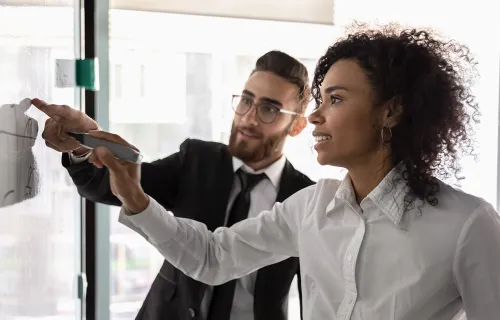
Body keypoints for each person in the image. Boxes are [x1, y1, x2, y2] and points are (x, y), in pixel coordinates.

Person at [38, 25, 500, 319]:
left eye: (335, 100)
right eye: (320, 100)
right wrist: (134, 199)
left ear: (391, 112)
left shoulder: (467, 225)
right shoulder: (308, 208)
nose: (319, 116)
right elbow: (214, 258)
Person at [34, 51, 314, 320]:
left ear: (297, 126)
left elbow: (316, 298)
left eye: (269, 109)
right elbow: (111, 187)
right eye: (245, 101)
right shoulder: (196, 159)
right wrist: (83, 144)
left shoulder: (305, 198)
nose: (248, 118)